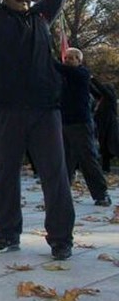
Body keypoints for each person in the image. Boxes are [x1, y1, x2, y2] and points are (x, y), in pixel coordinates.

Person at [0, 0, 75, 260]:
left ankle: (61, 239)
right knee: (5, 175)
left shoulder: (41, 18)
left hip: (45, 110)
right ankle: (6, 234)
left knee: (55, 176)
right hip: (5, 111)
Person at [56, 48, 111, 206]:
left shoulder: (82, 73)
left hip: (80, 124)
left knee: (87, 159)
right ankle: (61, 196)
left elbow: (55, 66)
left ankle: (101, 194)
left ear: (79, 61)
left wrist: (42, 51)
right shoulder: (63, 76)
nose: (68, 60)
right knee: (65, 161)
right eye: (66, 57)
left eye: (72, 58)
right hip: (64, 123)